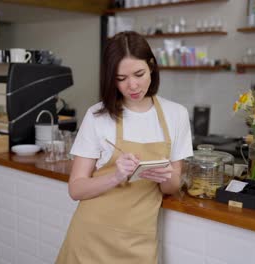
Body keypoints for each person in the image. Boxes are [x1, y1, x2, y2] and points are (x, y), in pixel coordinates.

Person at [55, 31, 193, 264]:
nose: (133, 85)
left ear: (151, 67)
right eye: (121, 78)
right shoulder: (97, 116)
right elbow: (76, 189)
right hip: (90, 238)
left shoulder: (176, 115)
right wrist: (115, 176)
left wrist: (165, 176)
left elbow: (171, 188)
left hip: (138, 242)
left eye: (139, 74)